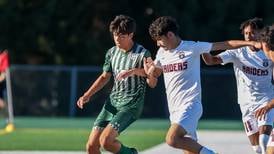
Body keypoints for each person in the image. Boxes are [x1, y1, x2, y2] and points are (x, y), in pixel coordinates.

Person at [144, 16, 261, 154]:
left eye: (159, 39)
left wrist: (249, 44)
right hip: (174, 110)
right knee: (189, 150)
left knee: (172, 139)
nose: (158, 44)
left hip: (190, 105)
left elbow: (225, 44)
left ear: (170, 35)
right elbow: (153, 82)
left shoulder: (192, 47)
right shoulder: (162, 53)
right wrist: (149, 73)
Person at [76, 15, 156, 154]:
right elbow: (104, 77)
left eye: (122, 36)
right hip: (112, 104)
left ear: (131, 35)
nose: (117, 39)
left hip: (131, 106)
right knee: (91, 146)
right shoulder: (112, 53)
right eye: (115, 35)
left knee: (106, 141)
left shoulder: (142, 53)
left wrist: (134, 71)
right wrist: (87, 95)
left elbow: (152, 82)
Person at [202, 17, 274, 154]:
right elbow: (211, 61)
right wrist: (202, 49)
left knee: (263, 142)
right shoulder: (237, 52)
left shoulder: (268, 52)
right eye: (246, 33)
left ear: (261, 33)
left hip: (266, 99)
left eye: (252, 32)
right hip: (245, 103)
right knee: (257, 149)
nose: (249, 36)